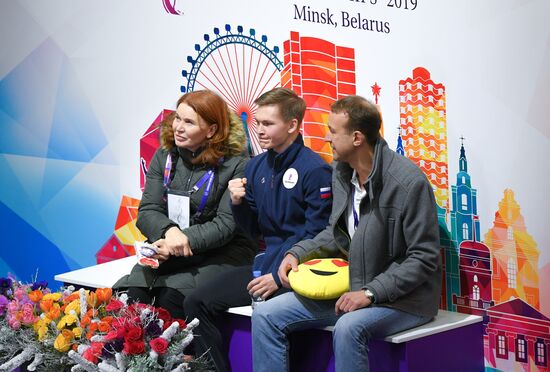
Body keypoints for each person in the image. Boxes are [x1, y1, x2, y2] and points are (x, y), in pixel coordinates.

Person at [251, 95, 442, 372]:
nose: (327, 139)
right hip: (352, 288)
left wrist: (371, 292)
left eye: (332, 131)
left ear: (356, 138)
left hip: (404, 300)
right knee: (266, 314)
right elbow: (335, 233)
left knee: (349, 327)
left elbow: (423, 258)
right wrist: (299, 252)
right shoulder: (342, 173)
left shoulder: (408, 182)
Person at [183, 87, 333, 371]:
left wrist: (278, 277)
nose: (260, 131)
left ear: (292, 125)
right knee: (196, 302)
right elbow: (254, 232)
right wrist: (238, 203)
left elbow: (317, 235)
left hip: (301, 271)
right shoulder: (256, 167)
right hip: (265, 266)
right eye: (258, 123)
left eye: (268, 124)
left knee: (268, 311)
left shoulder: (315, 170)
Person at [113, 90, 256, 320]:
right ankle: (137, 357)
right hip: (171, 244)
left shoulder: (236, 164)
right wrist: (169, 233)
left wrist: (182, 241)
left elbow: (226, 225)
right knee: (136, 291)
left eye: (189, 122)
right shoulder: (165, 156)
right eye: (177, 118)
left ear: (211, 130)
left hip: (223, 252)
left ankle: (186, 356)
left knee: (172, 294)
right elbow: (148, 210)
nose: (178, 127)